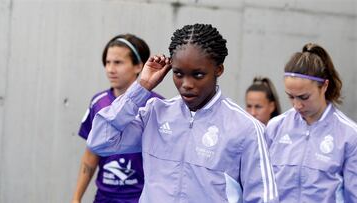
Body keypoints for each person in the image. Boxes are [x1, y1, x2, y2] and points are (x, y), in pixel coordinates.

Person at [87, 23, 278, 203]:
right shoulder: (155, 113)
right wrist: (141, 87)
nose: (186, 84)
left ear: (218, 69)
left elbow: (264, 197)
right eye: (178, 74)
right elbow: (100, 141)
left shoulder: (245, 128)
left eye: (198, 75)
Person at [72, 34, 163, 203]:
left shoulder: (157, 105)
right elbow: (90, 156)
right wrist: (76, 198)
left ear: (139, 66)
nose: (110, 69)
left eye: (118, 63)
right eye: (107, 62)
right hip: (104, 198)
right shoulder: (98, 103)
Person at [265, 43, 357, 202]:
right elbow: (260, 185)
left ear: (324, 86)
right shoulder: (275, 127)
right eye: (291, 96)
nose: (296, 105)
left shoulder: (349, 135)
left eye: (304, 97)